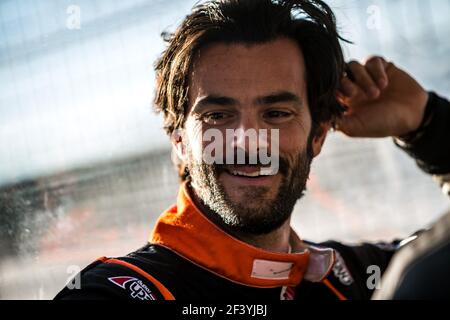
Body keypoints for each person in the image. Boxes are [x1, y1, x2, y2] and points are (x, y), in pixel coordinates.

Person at [55, 0, 450, 300]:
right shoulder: (112, 292)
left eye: (276, 112)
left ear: (319, 135)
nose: (248, 140)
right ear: (178, 139)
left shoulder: (359, 276)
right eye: (219, 114)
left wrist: (427, 122)